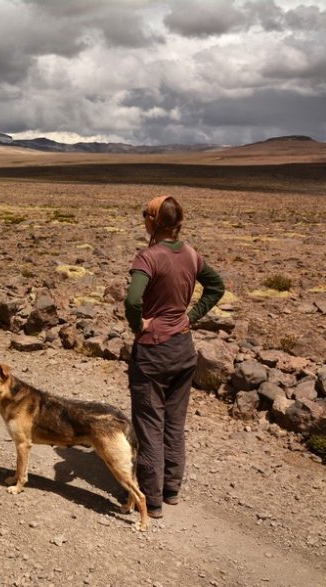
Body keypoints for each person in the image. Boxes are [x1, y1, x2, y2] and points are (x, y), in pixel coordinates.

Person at [124, 195, 224, 519]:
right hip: (183, 349)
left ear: (153, 221)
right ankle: (171, 490)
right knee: (175, 423)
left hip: (152, 352)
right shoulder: (192, 255)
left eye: (146, 216)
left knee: (150, 423)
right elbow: (216, 287)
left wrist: (138, 324)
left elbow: (132, 300)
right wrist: (191, 316)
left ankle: (151, 500)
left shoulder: (148, 258)